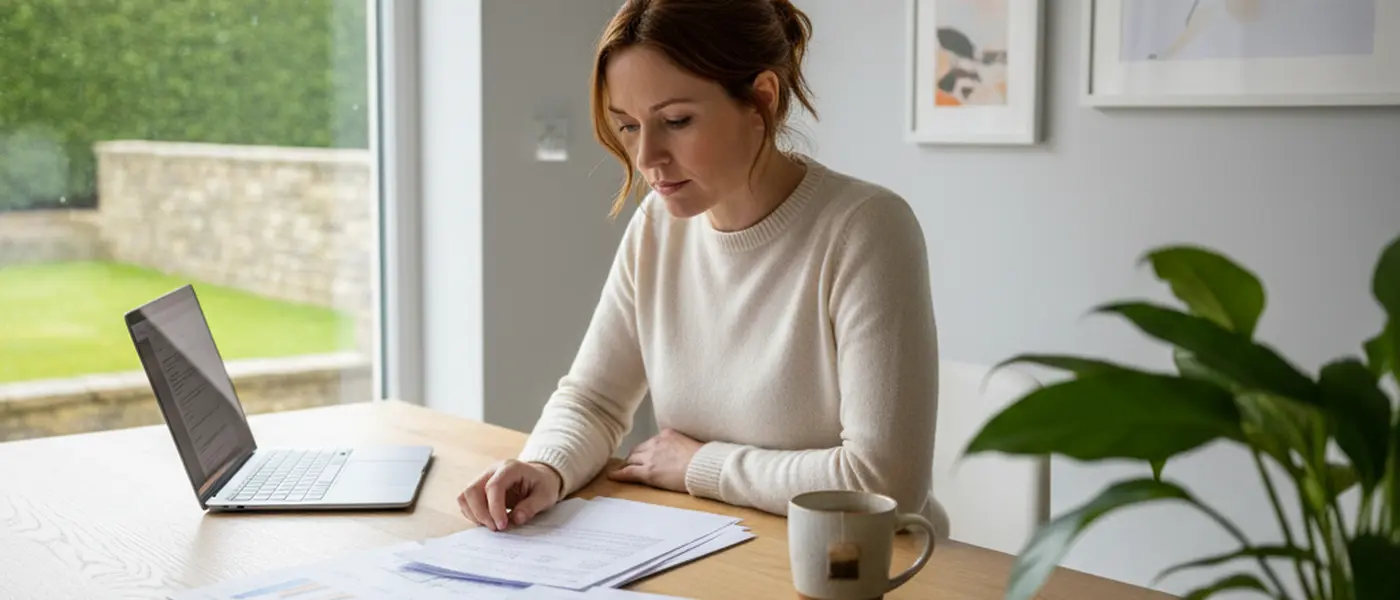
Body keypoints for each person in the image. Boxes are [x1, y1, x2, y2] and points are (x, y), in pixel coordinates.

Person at [457, 0, 946, 537]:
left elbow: (885, 483)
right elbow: (594, 400)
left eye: (676, 121)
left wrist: (699, 466)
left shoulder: (866, 228)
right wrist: (545, 466)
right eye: (628, 126)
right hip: (716, 546)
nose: (647, 158)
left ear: (761, 99)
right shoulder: (657, 227)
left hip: (866, 566)